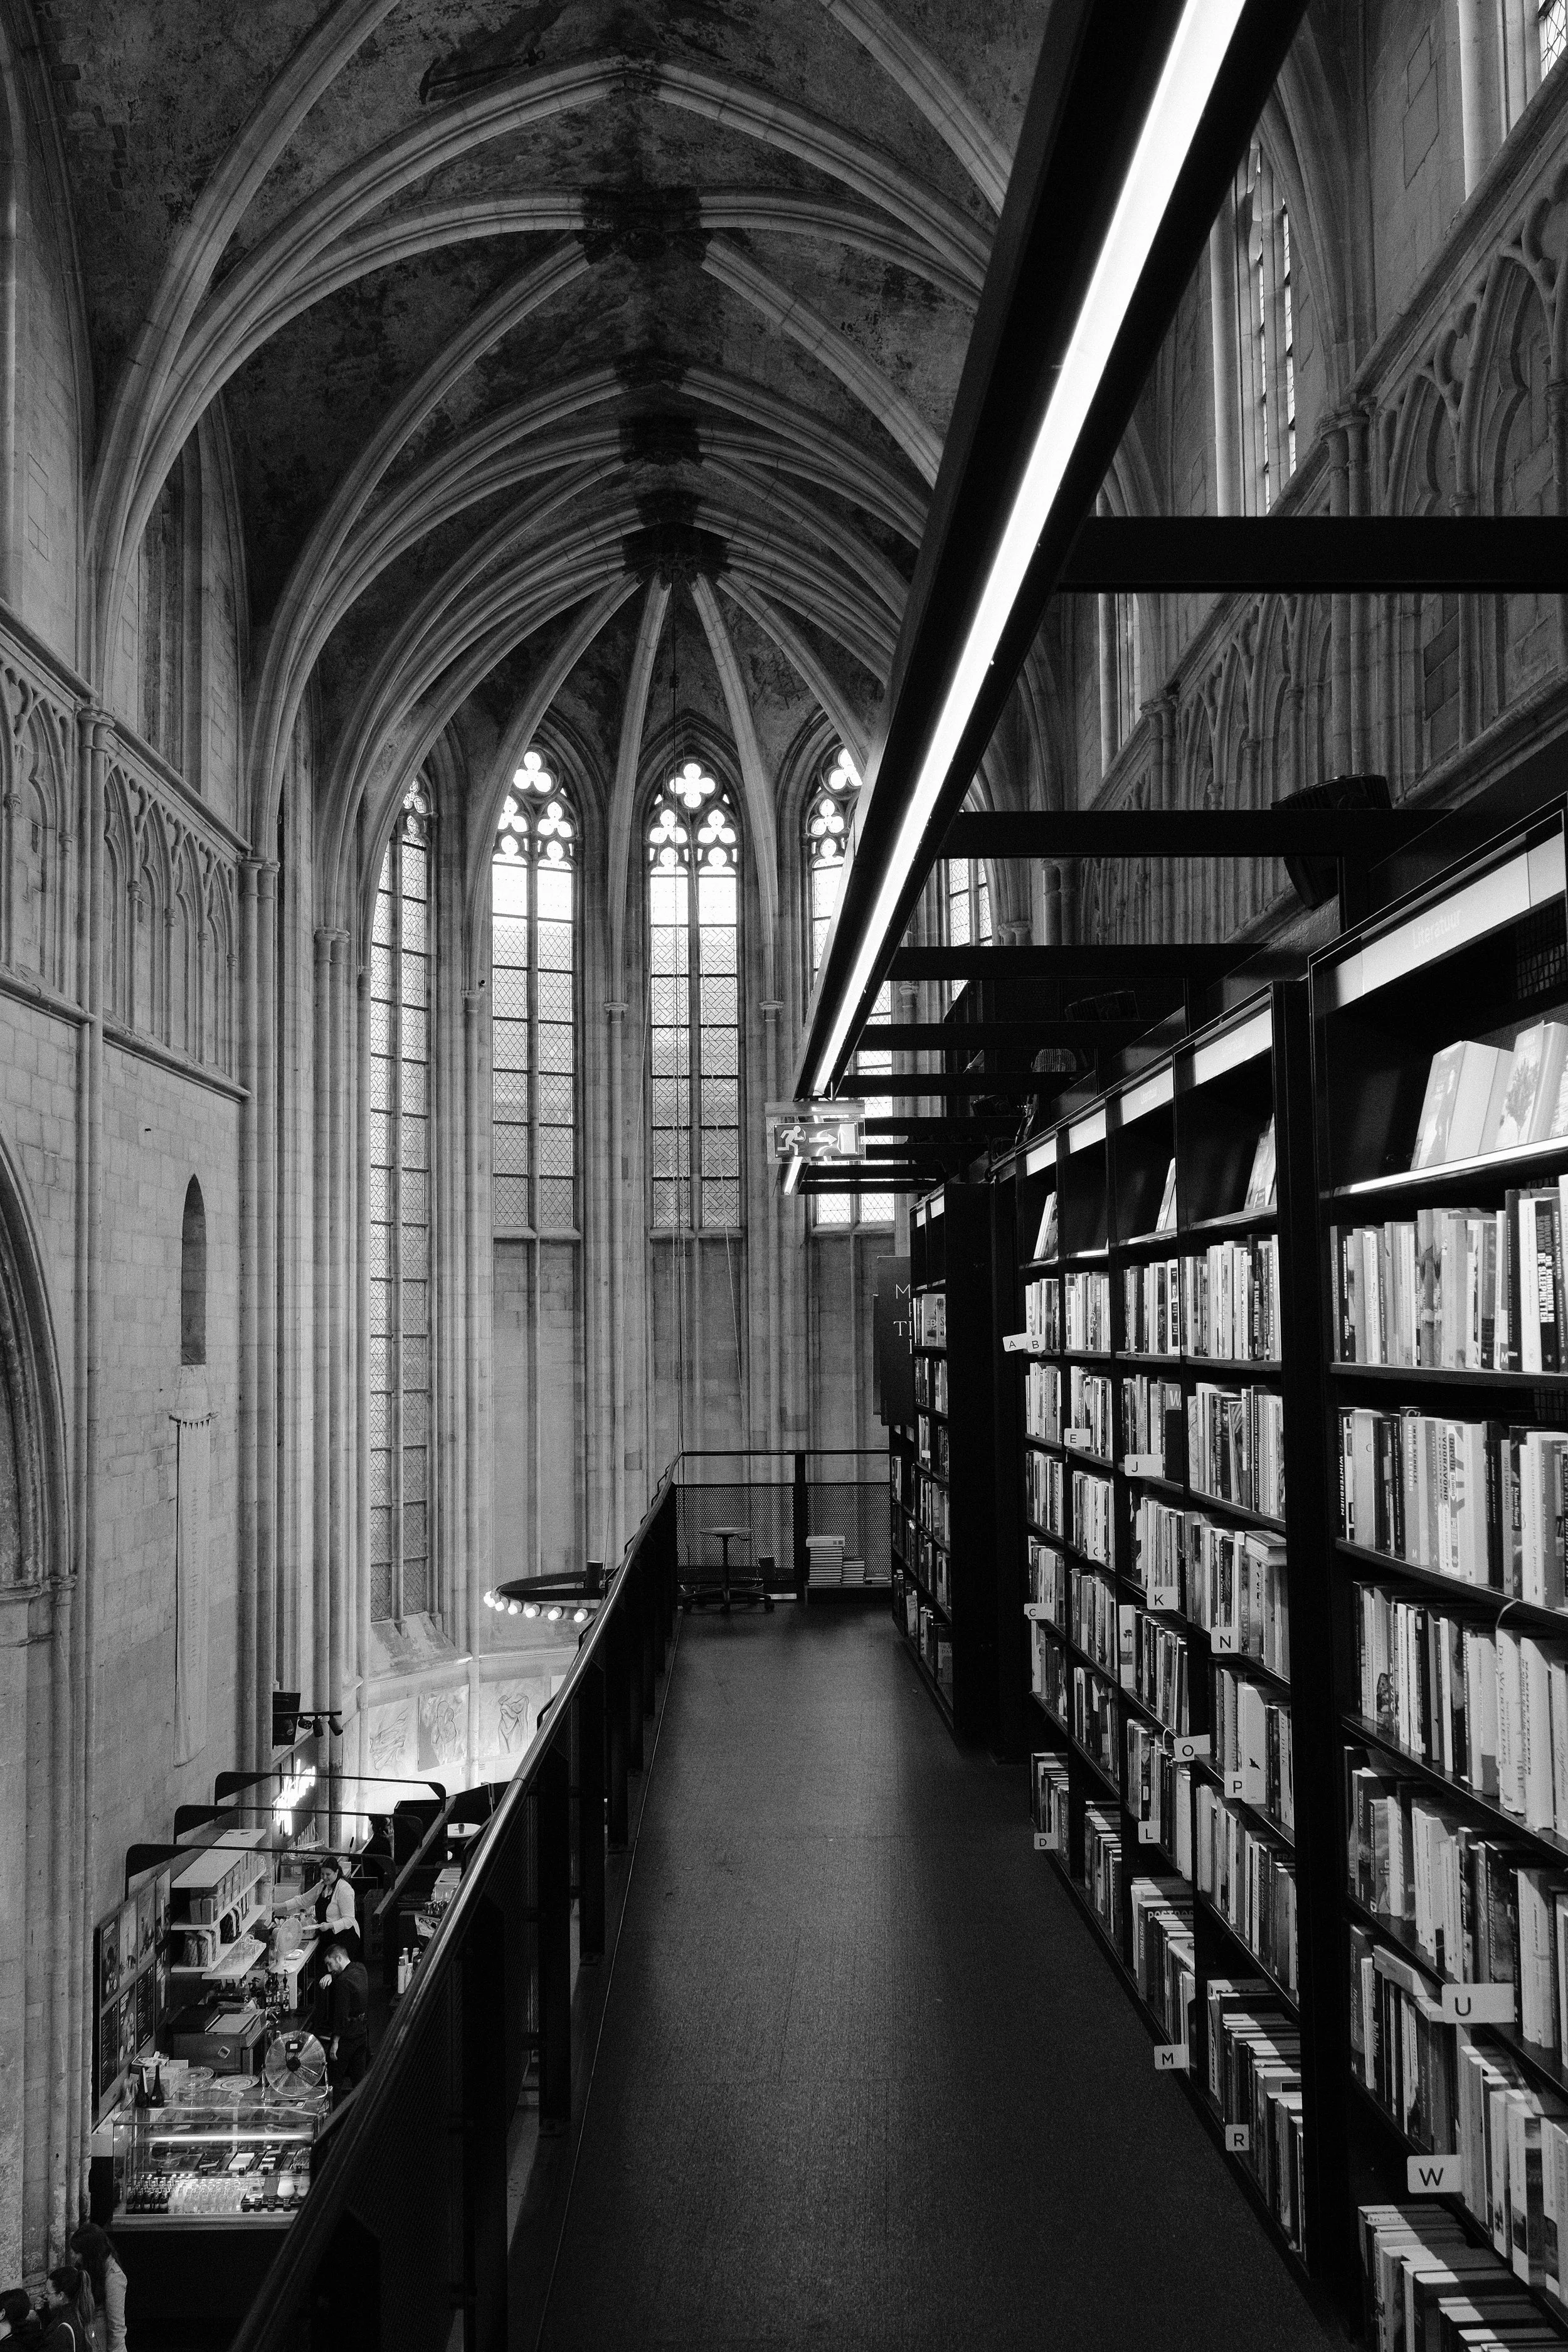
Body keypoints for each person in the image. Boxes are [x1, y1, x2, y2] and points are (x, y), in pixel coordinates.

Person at [319, 1936, 370, 2102]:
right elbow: (349, 1977)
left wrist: (335, 2042)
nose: (328, 1969)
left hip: (346, 2038)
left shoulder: (342, 1983)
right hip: (362, 2033)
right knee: (359, 2080)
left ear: (339, 1958)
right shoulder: (361, 1969)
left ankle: (335, 2117)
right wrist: (334, 1977)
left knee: (335, 2081)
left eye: (330, 1964)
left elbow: (341, 2015)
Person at [283, 1855, 358, 1955]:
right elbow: (304, 1900)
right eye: (322, 1874)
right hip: (328, 1938)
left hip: (344, 1940)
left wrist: (330, 1926)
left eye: (328, 1874)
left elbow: (349, 1920)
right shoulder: (323, 1886)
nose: (324, 1877)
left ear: (336, 1872)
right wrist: (279, 1906)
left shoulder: (344, 1890)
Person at [69, 2226, 127, 2352]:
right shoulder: (89, 2267)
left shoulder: (114, 2277)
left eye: (77, 2252)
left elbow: (116, 2325)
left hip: (98, 2342)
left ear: (89, 2253)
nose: (74, 2256)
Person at [38, 2269, 90, 2352]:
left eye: (48, 2292)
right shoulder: (81, 2313)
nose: (45, 2296)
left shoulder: (63, 2328)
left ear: (61, 2295)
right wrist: (43, 2314)